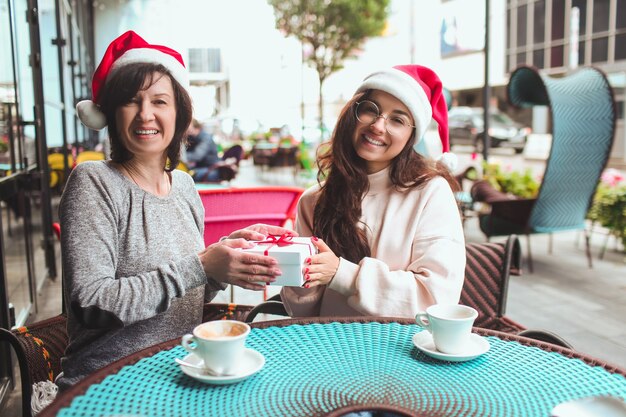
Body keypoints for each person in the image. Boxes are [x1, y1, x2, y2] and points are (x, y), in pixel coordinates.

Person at [60, 31, 291, 390]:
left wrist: (227, 258)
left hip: (183, 369)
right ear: (110, 112)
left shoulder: (183, 186)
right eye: (131, 101)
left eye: (160, 101)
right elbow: (91, 304)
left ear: (180, 113)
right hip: (109, 382)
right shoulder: (94, 182)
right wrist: (200, 265)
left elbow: (187, 293)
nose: (145, 114)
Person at [281, 65, 466, 318]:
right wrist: (292, 268)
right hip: (327, 346)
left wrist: (341, 274)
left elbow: (435, 300)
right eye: (371, 110)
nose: (378, 126)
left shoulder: (430, 193)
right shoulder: (314, 201)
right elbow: (303, 312)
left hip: (400, 350)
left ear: (411, 137)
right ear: (353, 113)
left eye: (398, 120)